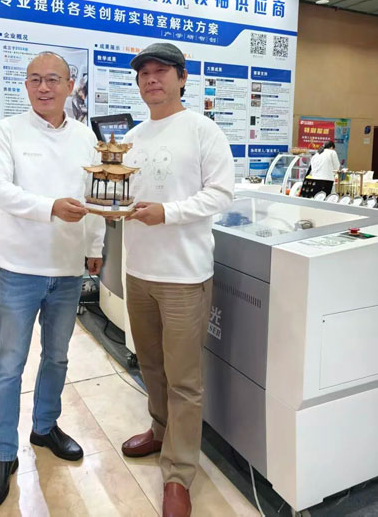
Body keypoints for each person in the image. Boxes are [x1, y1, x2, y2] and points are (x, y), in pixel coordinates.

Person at [0, 52, 105, 510]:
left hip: (68, 269)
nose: (44, 87)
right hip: (20, 268)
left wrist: (95, 244)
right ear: (26, 86)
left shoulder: (85, 138)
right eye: (35, 79)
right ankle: (3, 454)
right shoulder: (7, 131)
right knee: (9, 364)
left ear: (71, 85)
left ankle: (45, 427)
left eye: (53, 79)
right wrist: (50, 207)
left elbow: (94, 194)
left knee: (57, 356)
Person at [120, 42, 235, 517]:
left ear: (182, 77)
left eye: (161, 71)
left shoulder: (204, 131)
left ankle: (179, 473)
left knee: (185, 379)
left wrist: (167, 213)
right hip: (138, 270)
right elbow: (123, 192)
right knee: (150, 365)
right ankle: (160, 431)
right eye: (143, 73)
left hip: (184, 276)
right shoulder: (132, 136)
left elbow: (221, 194)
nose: (151, 79)